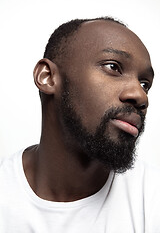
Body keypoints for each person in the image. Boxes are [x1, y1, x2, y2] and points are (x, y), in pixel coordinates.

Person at [0, 17, 159, 232]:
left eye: (145, 84)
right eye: (113, 67)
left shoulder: (152, 198)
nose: (140, 96)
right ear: (47, 77)